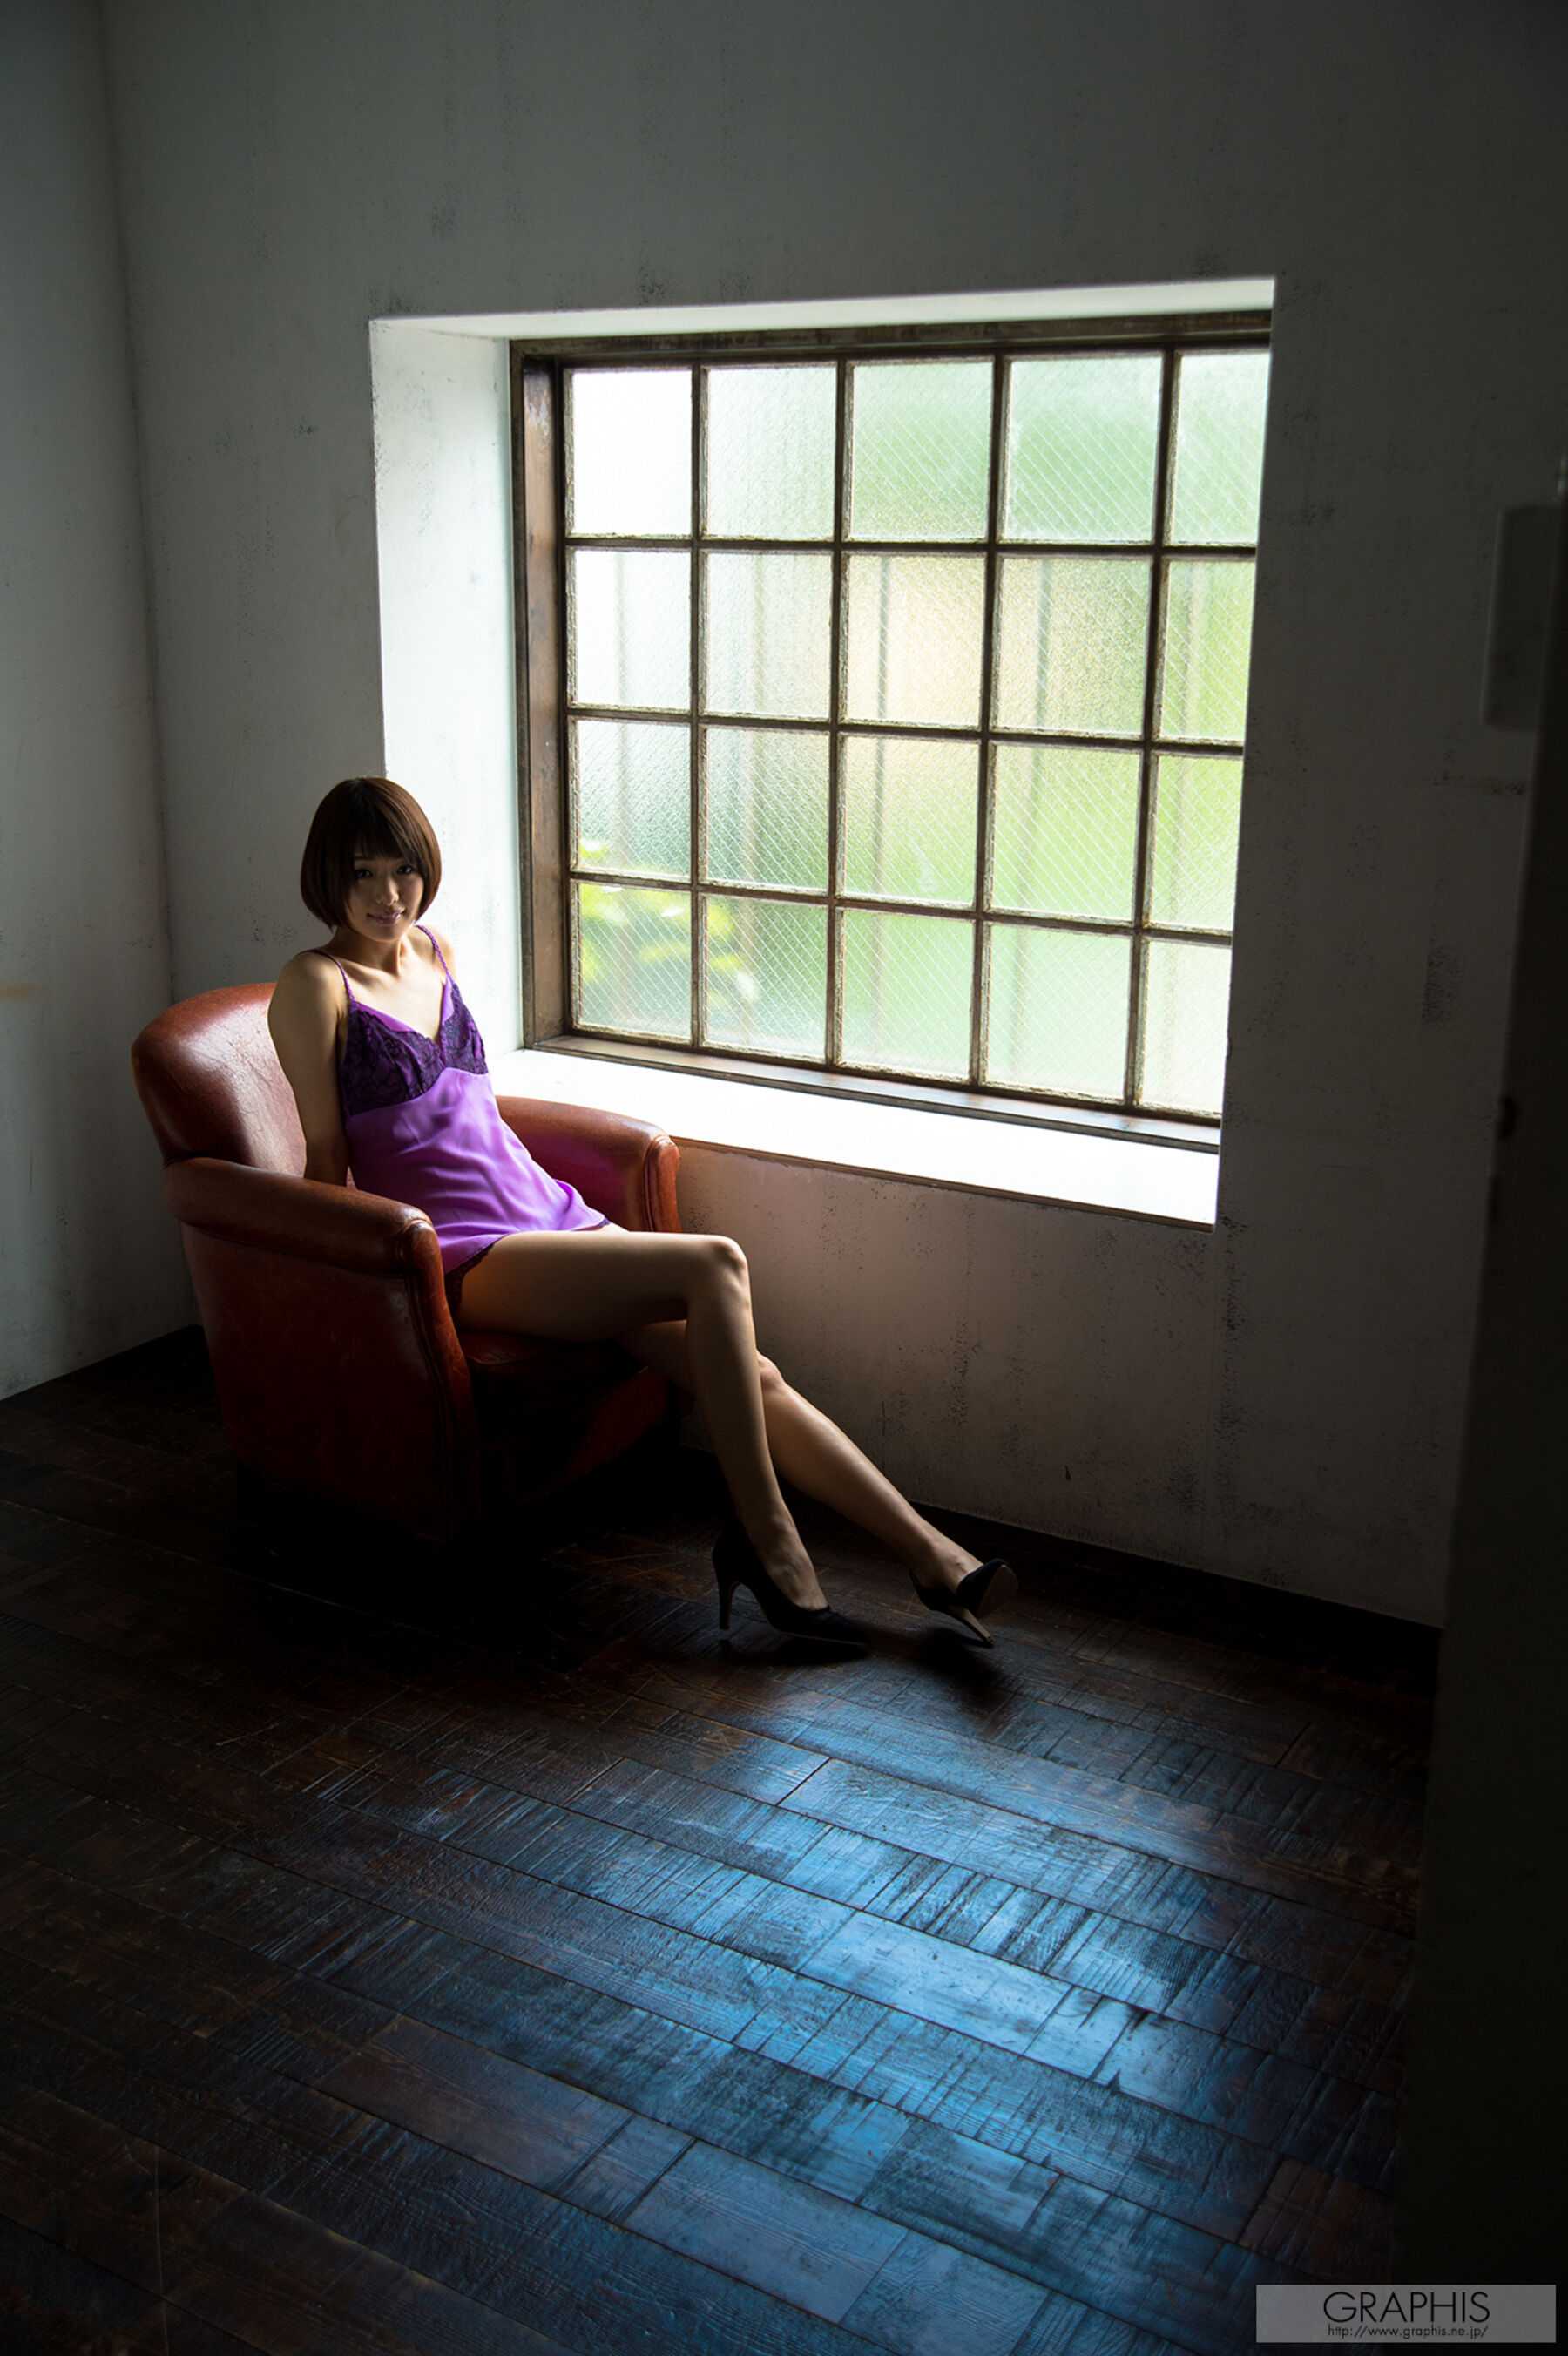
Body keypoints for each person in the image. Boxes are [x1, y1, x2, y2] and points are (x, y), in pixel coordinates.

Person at [267, 776, 1017, 1648]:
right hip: (467, 1249)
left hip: (548, 1213)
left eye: (403, 869)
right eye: (362, 874)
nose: (388, 894)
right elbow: (325, 1160)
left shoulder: (437, 950)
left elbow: (473, 1114)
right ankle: (769, 1539)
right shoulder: (315, 983)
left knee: (755, 1374)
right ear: (328, 878)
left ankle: (932, 1557)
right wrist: (349, 1297)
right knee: (715, 1263)